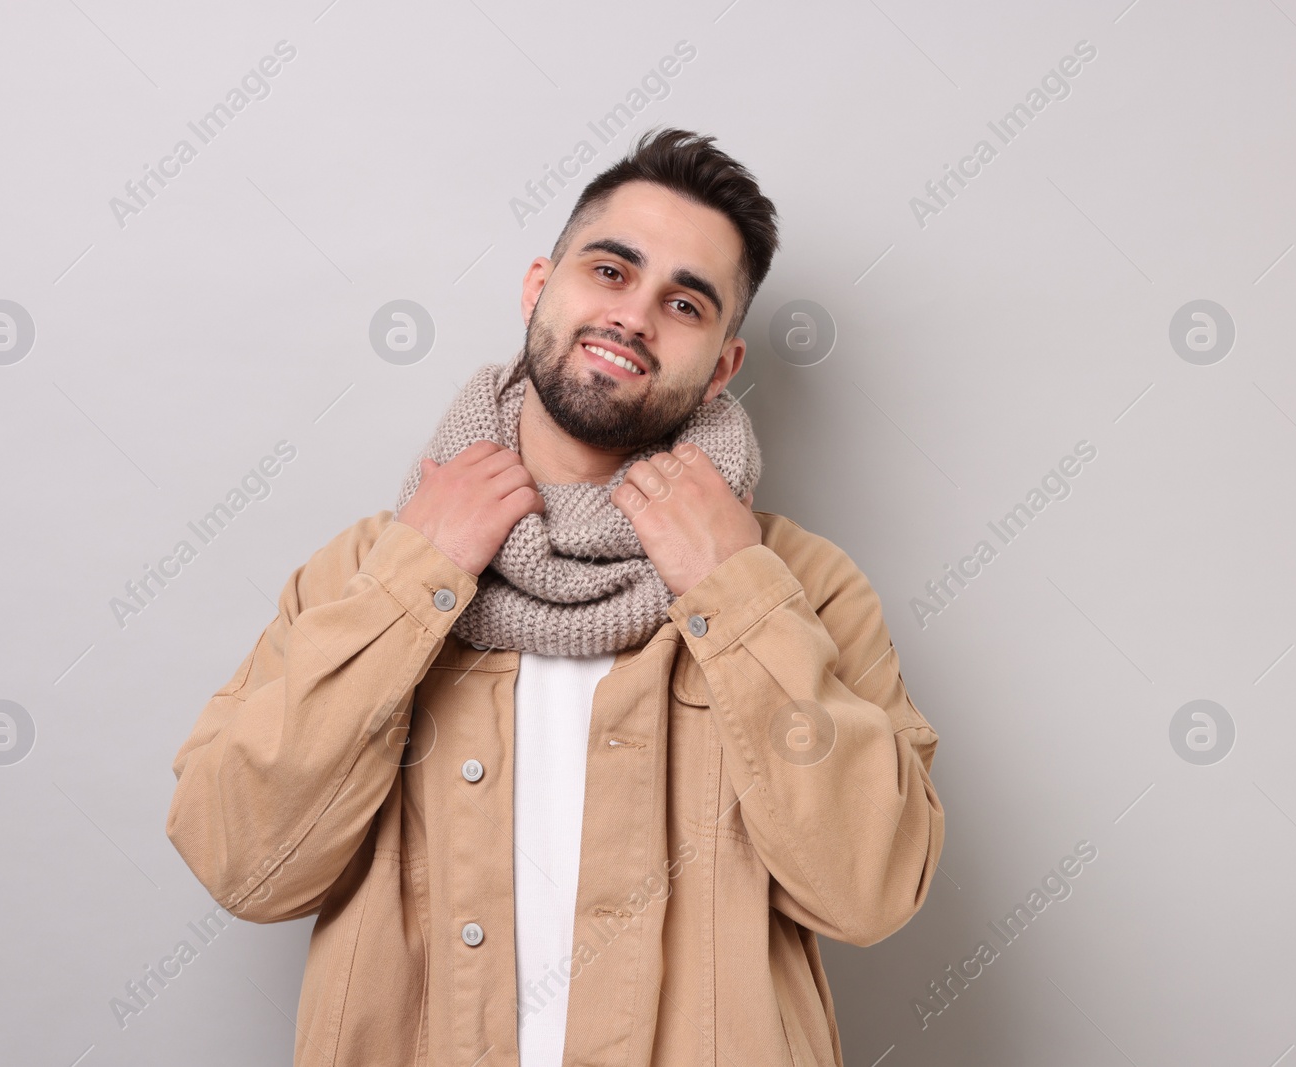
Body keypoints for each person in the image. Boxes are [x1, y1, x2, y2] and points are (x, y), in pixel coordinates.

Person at [166, 126, 944, 1067]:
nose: (634, 318)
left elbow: (869, 889)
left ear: (725, 365)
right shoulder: (372, 566)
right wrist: (421, 577)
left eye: (685, 303)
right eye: (611, 272)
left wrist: (733, 592)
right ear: (541, 286)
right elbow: (240, 861)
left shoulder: (800, 586)